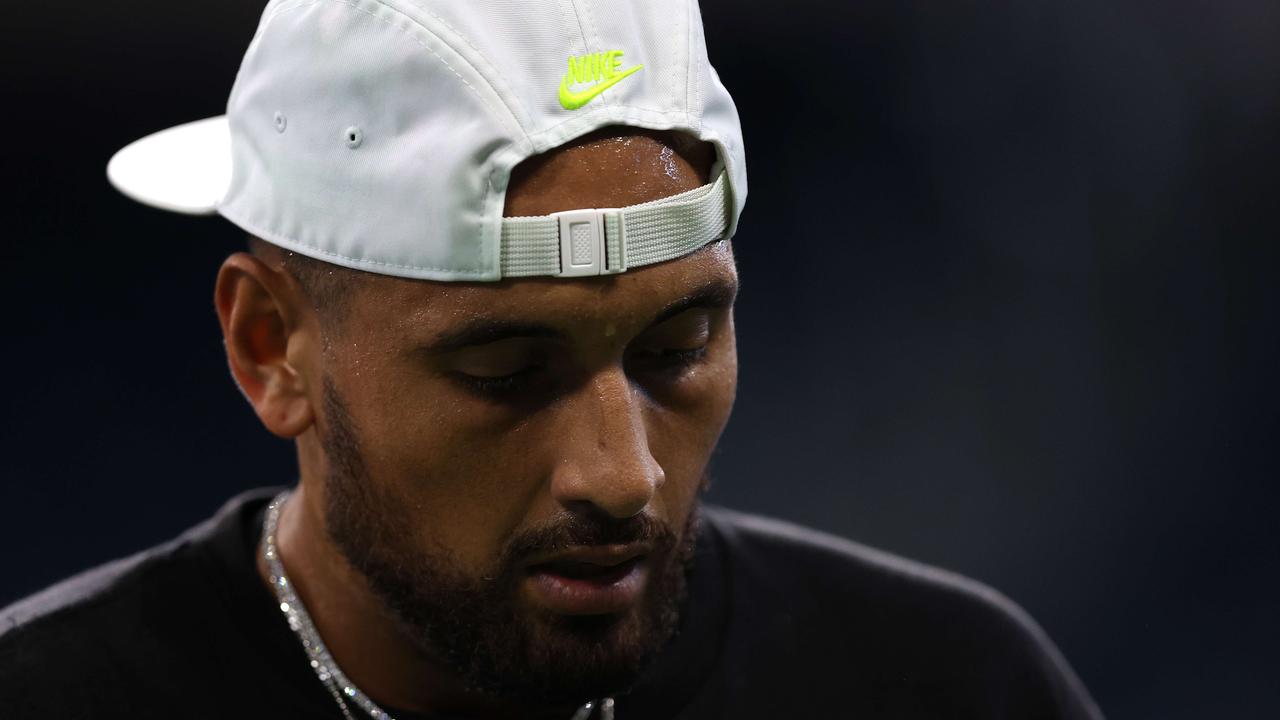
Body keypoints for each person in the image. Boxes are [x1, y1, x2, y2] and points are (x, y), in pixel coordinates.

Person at [0, 0, 1103, 718]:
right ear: (268, 346)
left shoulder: (950, 690)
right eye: (506, 370)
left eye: (678, 348)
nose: (623, 477)